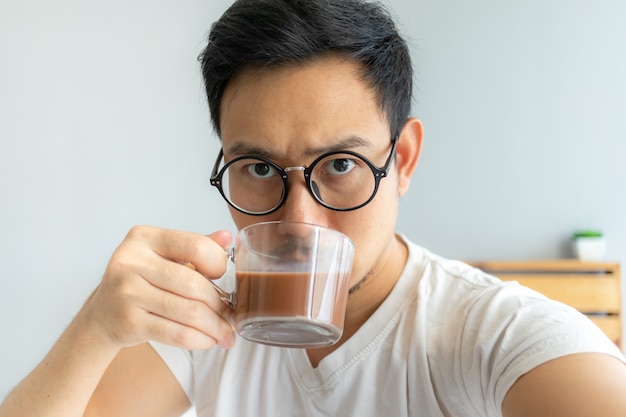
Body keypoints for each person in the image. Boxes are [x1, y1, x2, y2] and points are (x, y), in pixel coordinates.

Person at [2, 0, 626, 416]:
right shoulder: (202, 325)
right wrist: (94, 329)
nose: (298, 221)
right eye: (259, 169)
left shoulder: (493, 333)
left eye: (341, 165)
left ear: (402, 160)